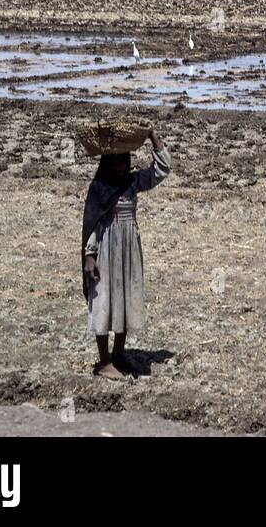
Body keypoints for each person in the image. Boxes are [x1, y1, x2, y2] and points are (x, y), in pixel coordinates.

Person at [81, 131, 171, 379]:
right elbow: (93, 223)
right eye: (116, 161)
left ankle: (119, 353)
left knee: (124, 297)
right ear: (108, 163)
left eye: (124, 161)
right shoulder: (100, 187)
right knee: (104, 299)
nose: (121, 166)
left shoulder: (132, 182)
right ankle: (104, 361)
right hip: (106, 249)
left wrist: (153, 137)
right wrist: (90, 256)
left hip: (130, 248)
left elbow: (162, 170)